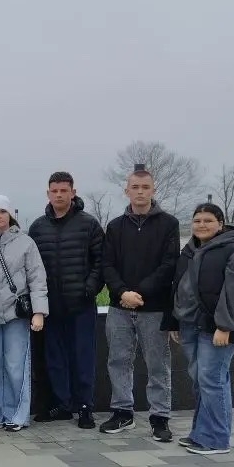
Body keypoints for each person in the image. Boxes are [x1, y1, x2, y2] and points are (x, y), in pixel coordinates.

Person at [163, 203, 234, 456]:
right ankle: (201, 433)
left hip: (218, 328)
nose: (201, 225)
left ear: (220, 224)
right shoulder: (190, 250)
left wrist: (225, 326)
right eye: (197, 220)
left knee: (212, 380)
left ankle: (216, 439)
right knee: (201, 380)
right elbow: (179, 287)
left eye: (208, 220)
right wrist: (174, 321)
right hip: (190, 324)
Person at [100, 164, 180, 442]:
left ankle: (160, 418)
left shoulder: (169, 224)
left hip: (154, 307)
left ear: (153, 190)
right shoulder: (115, 227)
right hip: (119, 307)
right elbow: (107, 265)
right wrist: (123, 292)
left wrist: (140, 293)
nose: (140, 192)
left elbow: (169, 265)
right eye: (135, 187)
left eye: (145, 187)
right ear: (127, 191)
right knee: (118, 361)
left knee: (158, 364)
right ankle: (123, 412)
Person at [28, 172, 105, 429]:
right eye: (54, 191)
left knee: (83, 357)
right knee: (55, 358)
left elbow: (100, 261)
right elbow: (31, 266)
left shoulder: (88, 224)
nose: (59, 195)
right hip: (50, 306)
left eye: (64, 190)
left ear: (73, 192)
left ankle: (85, 407)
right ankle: (62, 404)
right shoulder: (38, 227)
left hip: (80, 304)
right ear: (48, 193)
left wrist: (89, 288)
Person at [0, 196, 49, 432]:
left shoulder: (25, 243)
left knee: (16, 366)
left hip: (16, 313)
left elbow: (37, 278)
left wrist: (39, 311)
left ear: (10, 213)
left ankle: (17, 415)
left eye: (2, 211)